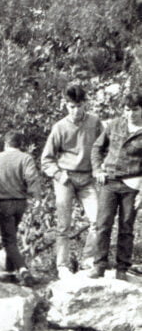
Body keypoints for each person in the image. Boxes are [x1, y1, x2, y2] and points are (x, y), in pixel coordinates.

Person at [41, 83, 102, 280]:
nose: (75, 110)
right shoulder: (59, 127)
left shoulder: (95, 122)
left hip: (87, 178)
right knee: (63, 225)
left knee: (98, 220)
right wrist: (59, 175)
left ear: (85, 103)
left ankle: (88, 260)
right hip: (65, 179)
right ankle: (63, 266)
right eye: (71, 106)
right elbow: (46, 160)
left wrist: (99, 168)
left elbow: (105, 148)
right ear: (65, 105)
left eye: (78, 105)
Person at [89, 88, 142, 281]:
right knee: (102, 224)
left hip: (132, 184)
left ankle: (122, 269)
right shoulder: (114, 125)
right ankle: (99, 265)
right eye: (127, 109)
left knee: (126, 228)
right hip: (109, 182)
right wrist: (97, 170)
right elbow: (97, 148)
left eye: (135, 109)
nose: (130, 113)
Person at [0, 130, 41, 284]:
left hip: (3, 203)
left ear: (6, 143)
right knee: (12, 236)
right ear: (20, 145)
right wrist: (37, 198)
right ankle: (9, 272)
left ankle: (24, 271)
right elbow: (31, 178)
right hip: (20, 203)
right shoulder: (25, 158)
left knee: (8, 240)